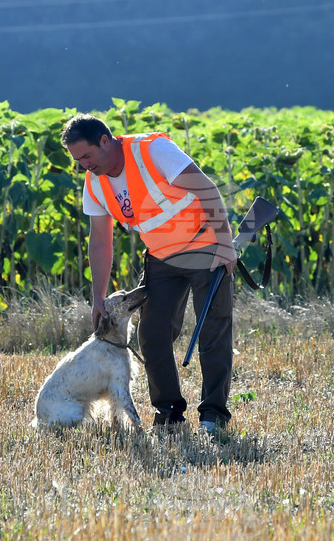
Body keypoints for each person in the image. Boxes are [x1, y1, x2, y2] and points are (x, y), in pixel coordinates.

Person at [61, 114, 237, 434]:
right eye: (78, 160)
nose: (84, 165)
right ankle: (168, 415)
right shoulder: (95, 183)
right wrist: (98, 298)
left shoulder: (153, 151)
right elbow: (100, 240)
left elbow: (206, 189)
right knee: (152, 335)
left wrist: (225, 245)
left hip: (205, 249)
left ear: (105, 140)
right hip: (161, 257)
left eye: (86, 156)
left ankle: (213, 416)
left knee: (212, 332)